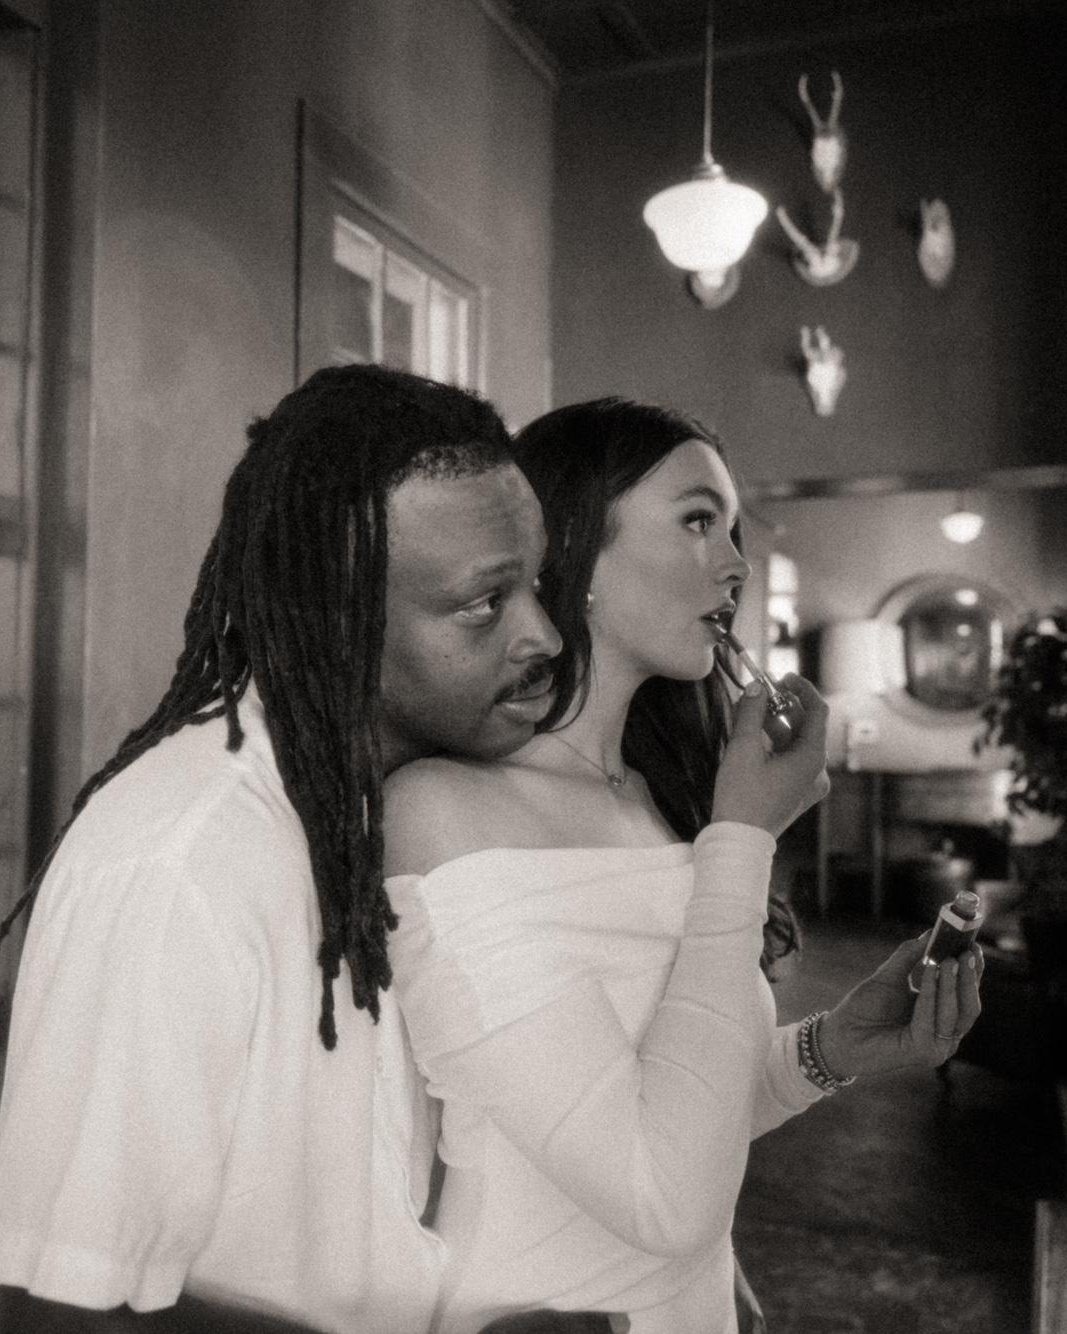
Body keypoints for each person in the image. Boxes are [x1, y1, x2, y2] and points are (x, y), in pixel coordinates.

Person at [0, 364, 567, 1334]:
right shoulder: (180, 862)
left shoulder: (384, 815)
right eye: (484, 602)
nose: (544, 634)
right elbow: (53, 1313)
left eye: (537, 582)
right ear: (340, 617)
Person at [381, 398, 985, 1334]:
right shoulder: (445, 814)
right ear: (573, 549)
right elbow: (664, 1197)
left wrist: (829, 1050)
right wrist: (742, 841)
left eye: (732, 530)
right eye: (699, 521)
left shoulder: (657, 802)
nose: (736, 563)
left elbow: (685, 1109)